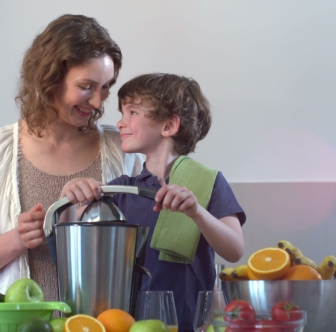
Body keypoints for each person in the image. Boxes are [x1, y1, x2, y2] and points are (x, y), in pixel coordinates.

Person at [0, 14, 144, 301]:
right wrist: (16, 239)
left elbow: (146, 248)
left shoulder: (122, 149)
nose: (97, 102)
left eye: (105, 87)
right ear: (50, 78)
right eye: (86, 86)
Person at [60, 73, 246, 331]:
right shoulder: (121, 189)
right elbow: (75, 245)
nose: (121, 123)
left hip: (189, 323)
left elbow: (234, 250)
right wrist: (70, 197)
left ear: (169, 126)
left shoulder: (208, 182)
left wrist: (197, 213)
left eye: (132, 112)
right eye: (122, 113)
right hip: (125, 324)